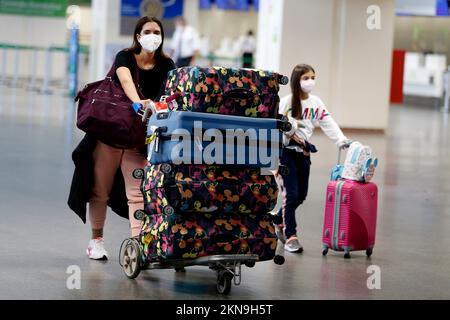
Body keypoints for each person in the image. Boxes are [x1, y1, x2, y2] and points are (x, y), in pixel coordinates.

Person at [68, 16, 176, 260]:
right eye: (147, 31)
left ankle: (139, 246)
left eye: (157, 31)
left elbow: (170, 92)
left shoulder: (167, 65)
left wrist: (158, 105)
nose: (152, 35)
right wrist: (138, 102)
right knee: (100, 189)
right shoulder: (124, 56)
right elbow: (125, 78)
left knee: (137, 193)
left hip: (141, 138)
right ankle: (96, 240)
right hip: (112, 134)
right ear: (138, 36)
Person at [275, 64, 350, 253]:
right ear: (296, 80)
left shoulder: (316, 103)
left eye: (313, 77)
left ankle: (277, 219)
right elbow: (274, 127)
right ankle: (290, 236)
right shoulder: (286, 102)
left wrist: (340, 139)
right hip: (286, 154)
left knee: (301, 196)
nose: (310, 81)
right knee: (290, 195)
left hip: (304, 154)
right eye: (306, 78)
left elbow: (328, 122)